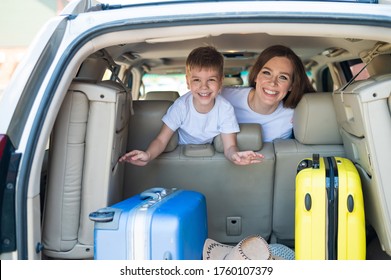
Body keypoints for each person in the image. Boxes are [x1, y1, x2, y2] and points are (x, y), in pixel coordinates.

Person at [120, 46, 263, 166]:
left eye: (211, 80)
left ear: (220, 82)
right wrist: (148, 155)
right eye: (196, 80)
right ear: (188, 82)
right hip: (180, 150)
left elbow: (230, 146)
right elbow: (161, 139)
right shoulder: (181, 106)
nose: (204, 87)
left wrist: (235, 156)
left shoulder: (225, 109)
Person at [221, 45, 315, 142]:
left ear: (291, 86)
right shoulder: (223, 97)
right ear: (256, 76)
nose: (272, 82)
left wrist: (303, 117)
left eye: (283, 77)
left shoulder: (298, 113)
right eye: (267, 73)